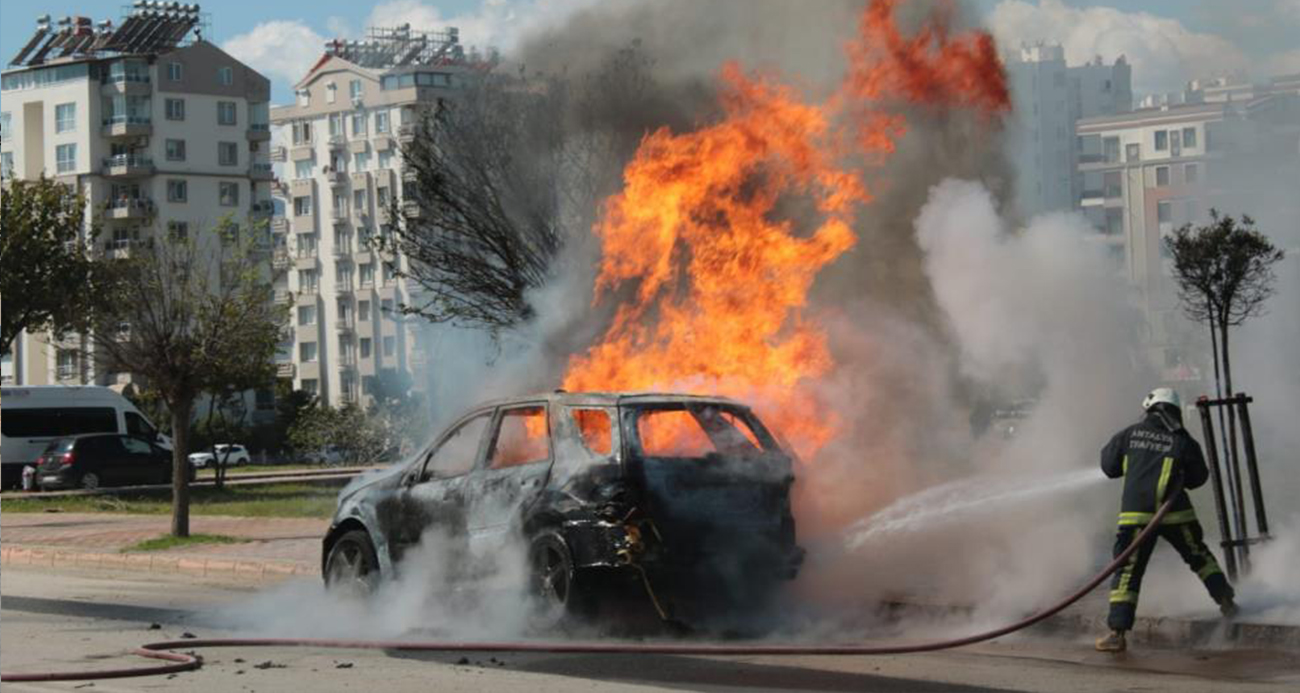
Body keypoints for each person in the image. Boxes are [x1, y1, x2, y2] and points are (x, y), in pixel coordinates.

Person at [1095, 387, 1237, 653]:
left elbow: (1108, 467)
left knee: (1127, 571)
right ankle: (1227, 602)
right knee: (1200, 557)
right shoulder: (1181, 440)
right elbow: (1198, 478)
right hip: (1176, 513)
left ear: (1149, 408)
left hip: (1136, 516)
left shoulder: (1129, 434)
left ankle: (1117, 633)